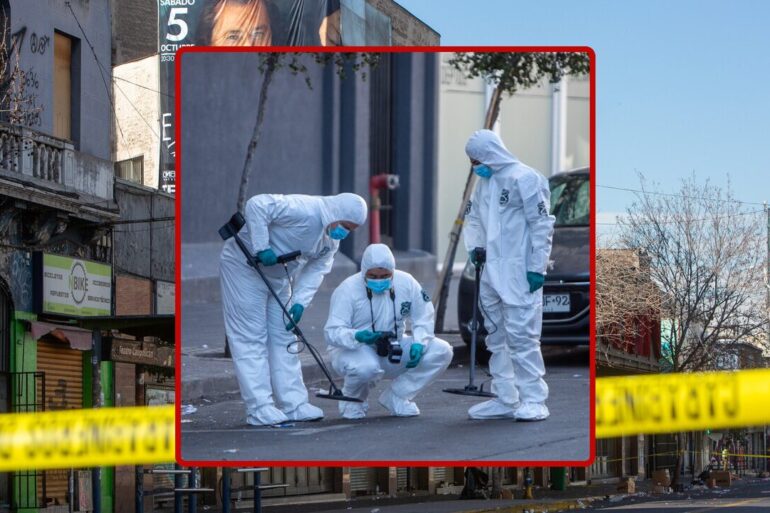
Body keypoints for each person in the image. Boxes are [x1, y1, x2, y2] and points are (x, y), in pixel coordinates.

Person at [220, 192, 367, 426]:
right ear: (336, 214)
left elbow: (317, 270)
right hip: (245, 268)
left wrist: (299, 302)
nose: (344, 232)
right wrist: (262, 247)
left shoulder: (330, 241)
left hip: (279, 278)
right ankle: (259, 408)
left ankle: (294, 404)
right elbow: (257, 205)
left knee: (284, 337)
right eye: (345, 226)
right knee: (251, 338)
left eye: (350, 229)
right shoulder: (305, 209)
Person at [463, 129, 555, 421]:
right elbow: (474, 217)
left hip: (519, 271)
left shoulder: (526, 178)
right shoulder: (485, 183)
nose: (474, 165)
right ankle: (506, 397)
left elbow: (541, 225)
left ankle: (534, 399)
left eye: (476, 159)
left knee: (522, 337)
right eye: (472, 161)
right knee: (496, 335)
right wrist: (475, 246)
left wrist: (536, 267)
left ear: (490, 153)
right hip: (491, 271)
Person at [324, 244, 453, 419]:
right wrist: (357, 336)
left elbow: (424, 315)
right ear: (363, 272)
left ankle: (397, 396)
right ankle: (353, 401)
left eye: (385, 276)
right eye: (373, 276)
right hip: (355, 349)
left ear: (393, 271)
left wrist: (419, 343)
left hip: (394, 346)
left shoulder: (407, 283)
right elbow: (331, 331)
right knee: (366, 367)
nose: (379, 280)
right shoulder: (347, 290)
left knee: (442, 350)